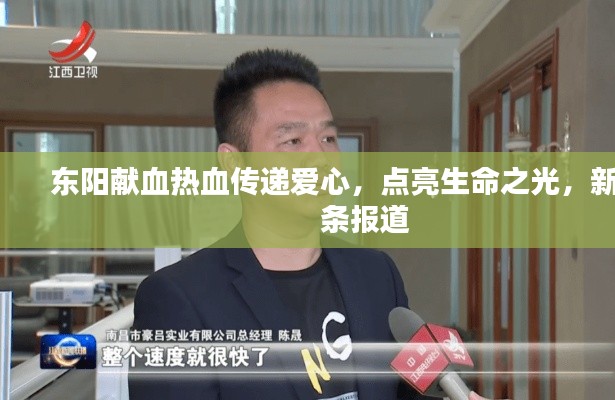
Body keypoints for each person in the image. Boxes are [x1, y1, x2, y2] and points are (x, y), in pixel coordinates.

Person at [128, 49, 431, 400]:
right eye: (293, 141)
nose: (321, 159)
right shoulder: (177, 299)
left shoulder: (377, 274)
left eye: (328, 139)